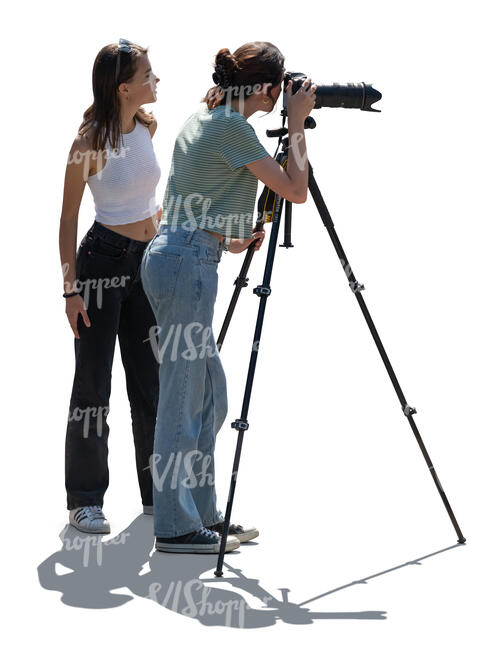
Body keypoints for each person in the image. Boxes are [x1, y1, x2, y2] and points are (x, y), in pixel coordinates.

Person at [140, 41, 317, 553]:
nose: (279, 98)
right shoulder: (232, 126)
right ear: (265, 87)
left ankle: (203, 513)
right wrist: (300, 126)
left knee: (209, 395)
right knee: (182, 398)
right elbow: (294, 189)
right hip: (186, 264)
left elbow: (197, 195)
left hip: (183, 254)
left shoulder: (207, 117)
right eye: (278, 88)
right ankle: (175, 527)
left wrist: (232, 238)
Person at [59, 39, 162, 534]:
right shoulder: (88, 143)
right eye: (147, 75)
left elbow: (149, 202)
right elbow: (67, 219)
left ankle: (157, 495)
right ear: (124, 88)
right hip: (100, 265)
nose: (155, 80)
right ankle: (84, 499)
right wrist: (70, 291)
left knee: (150, 382)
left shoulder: (147, 126)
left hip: (145, 265)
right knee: (94, 384)